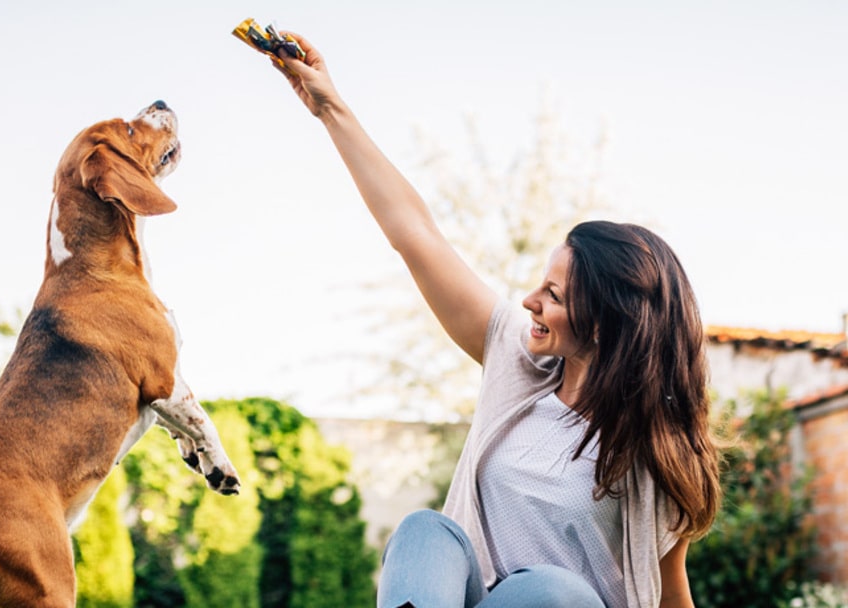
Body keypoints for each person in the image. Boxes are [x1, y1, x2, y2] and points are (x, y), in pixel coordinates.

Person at [265, 32, 721, 608]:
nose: (529, 300)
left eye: (553, 294)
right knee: (425, 532)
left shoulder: (653, 452)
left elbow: (668, 594)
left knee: (550, 590)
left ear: (604, 324)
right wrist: (330, 107)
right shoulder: (518, 363)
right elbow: (416, 235)